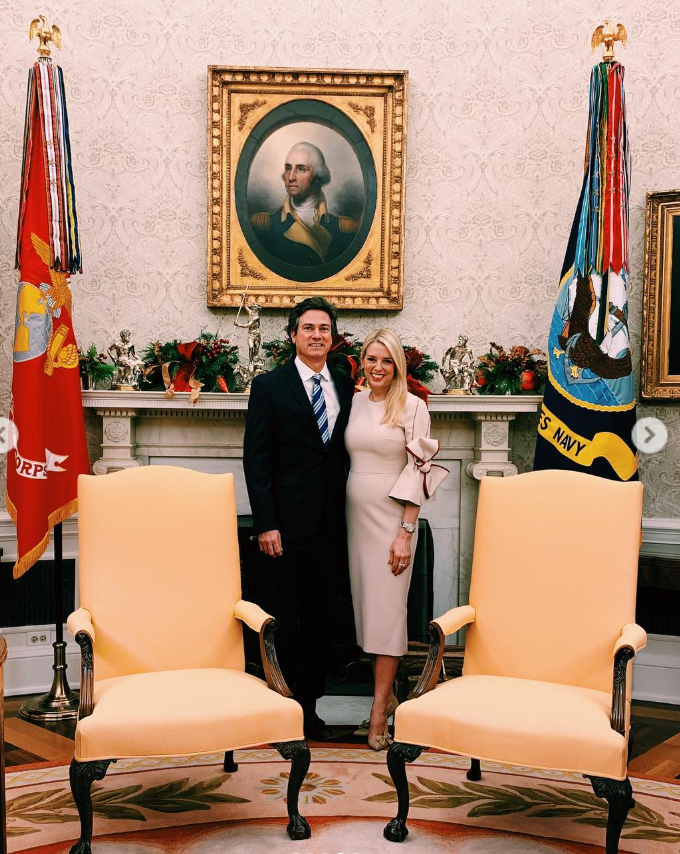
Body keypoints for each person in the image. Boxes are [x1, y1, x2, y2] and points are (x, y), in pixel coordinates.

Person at [243, 296, 355, 741]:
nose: (316, 335)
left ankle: (309, 711)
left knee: (321, 621)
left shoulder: (346, 384)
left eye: (324, 329)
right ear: (293, 335)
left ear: (333, 337)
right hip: (283, 530)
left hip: (332, 526)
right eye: (308, 328)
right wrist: (266, 523)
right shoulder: (270, 386)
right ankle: (281, 712)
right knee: (283, 622)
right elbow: (257, 460)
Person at [346, 328, 448, 750]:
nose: (378, 368)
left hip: (392, 522)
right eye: (372, 359)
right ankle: (384, 700)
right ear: (362, 362)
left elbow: (418, 473)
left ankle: (378, 712)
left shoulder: (413, 406)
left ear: (398, 367)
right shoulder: (352, 401)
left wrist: (405, 533)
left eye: (387, 361)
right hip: (354, 519)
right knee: (368, 613)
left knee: (387, 614)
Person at [250, 142, 358, 266]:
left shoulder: (343, 229)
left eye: (301, 169)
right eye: (288, 168)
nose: (290, 177)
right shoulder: (265, 226)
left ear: (318, 176)